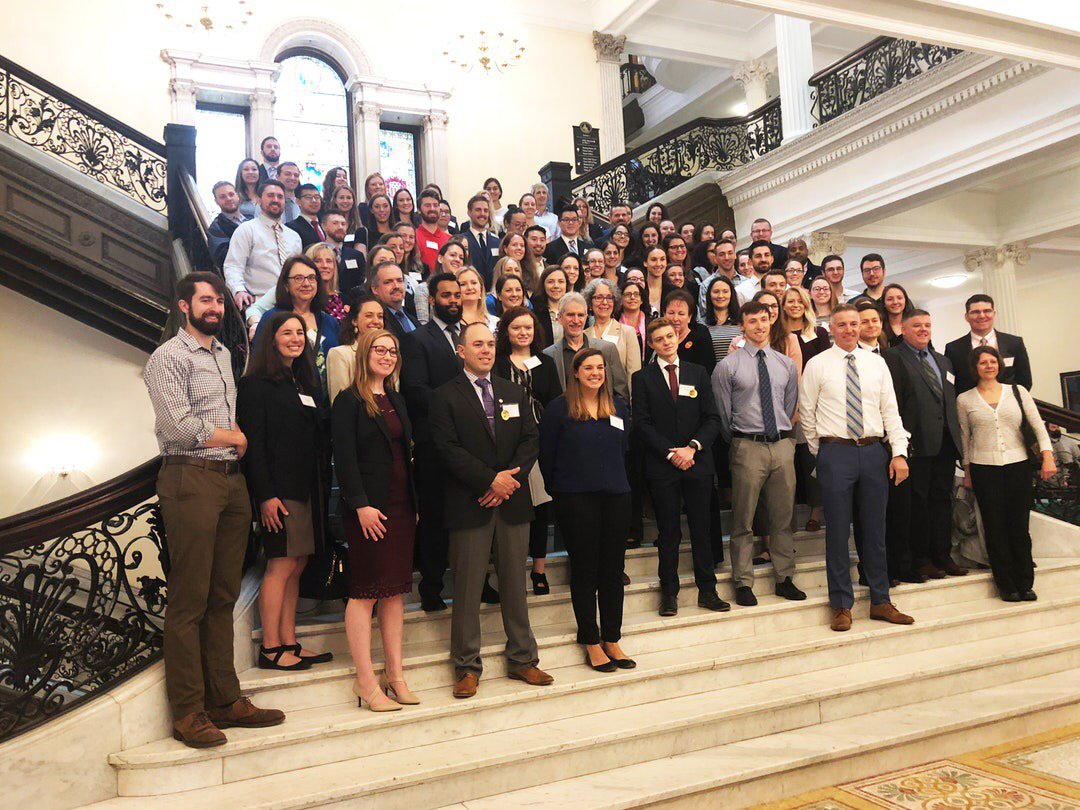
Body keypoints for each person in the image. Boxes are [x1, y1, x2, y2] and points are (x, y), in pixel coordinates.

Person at [143, 271, 284, 748]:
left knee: (223, 595)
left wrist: (236, 448)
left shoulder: (224, 354)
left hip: (230, 483)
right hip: (191, 478)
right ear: (184, 306)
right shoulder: (167, 357)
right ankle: (188, 712)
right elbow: (177, 426)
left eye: (219, 301)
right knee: (190, 599)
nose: (215, 308)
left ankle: (225, 698)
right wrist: (236, 438)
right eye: (205, 300)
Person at [430, 322, 554, 698]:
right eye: (477, 344)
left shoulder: (512, 390)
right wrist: (489, 481)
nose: (485, 350)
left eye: (489, 344)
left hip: (512, 502)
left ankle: (523, 660)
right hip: (472, 503)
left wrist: (507, 483)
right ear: (461, 352)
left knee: (515, 585)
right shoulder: (444, 396)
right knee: (467, 589)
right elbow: (446, 449)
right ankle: (467, 667)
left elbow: (531, 440)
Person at [799, 304, 914, 633]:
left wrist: (899, 452)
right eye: (843, 324)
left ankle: (881, 599)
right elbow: (807, 414)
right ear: (831, 328)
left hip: (874, 452)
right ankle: (840, 604)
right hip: (836, 452)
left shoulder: (877, 363)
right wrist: (822, 453)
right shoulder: (817, 365)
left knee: (876, 531)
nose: (850, 329)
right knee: (836, 532)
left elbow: (890, 411)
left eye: (855, 323)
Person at [237, 311, 332, 674]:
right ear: (270, 339)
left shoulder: (302, 381)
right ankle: (271, 647)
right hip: (279, 491)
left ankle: (289, 639)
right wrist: (265, 495)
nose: (295, 338)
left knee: (298, 563)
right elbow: (255, 446)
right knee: (280, 564)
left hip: (308, 487)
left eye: (299, 333)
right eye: (286, 333)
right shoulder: (255, 385)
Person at [333, 329, 420, 710]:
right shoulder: (348, 401)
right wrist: (360, 505)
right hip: (369, 509)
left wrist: (414, 503)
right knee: (365, 592)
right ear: (365, 353)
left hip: (401, 505)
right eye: (380, 350)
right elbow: (346, 459)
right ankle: (365, 681)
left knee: (394, 592)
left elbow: (405, 453)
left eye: (393, 351)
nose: (387, 356)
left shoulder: (397, 398)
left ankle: (395, 675)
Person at [541, 348, 636, 670]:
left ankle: (612, 637)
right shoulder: (559, 409)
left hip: (616, 496)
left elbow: (624, 450)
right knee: (585, 571)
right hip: (575, 499)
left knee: (612, 571)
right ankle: (590, 640)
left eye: (600, 367)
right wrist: (562, 492)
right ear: (576, 372)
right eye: (588, 367)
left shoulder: (618, 407)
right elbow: (546, 455)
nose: (595, 372)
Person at [634, 318, 728, 616]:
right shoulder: (642, 378)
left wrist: (692, 448)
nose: (666, 342)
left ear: (678, 337)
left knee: (702, 528)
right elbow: (642, 424)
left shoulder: (698, 373)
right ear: (652, 344)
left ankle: (708, 590)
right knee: (669, 531)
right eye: (659, 339)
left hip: (697, 463)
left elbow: (712, 418)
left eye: (670, 336)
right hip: (663, 467)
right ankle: (669, 593)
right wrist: (670, 453)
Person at [713, 300, 805, 607]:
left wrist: (783, 438)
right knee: (743, 519)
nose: (759, 326)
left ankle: (785, 577)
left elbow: (790, 404)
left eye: (763, 320)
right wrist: (740, 439)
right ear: (742, 325)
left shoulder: (785, 364)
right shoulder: (728, 366)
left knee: (783, 518)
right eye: (752, 321)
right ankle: (743, 581)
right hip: (747, 446)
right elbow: (724, 415)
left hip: (781, 445)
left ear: (770, 322)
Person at [958, 345, 1055, 600]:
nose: (988, 366)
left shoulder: (1017, 392)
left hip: (1018, 465)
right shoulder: (965, 399)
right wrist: (967, 470)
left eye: (992, 361)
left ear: (999, 365)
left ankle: (1025, 582)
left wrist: (1048, 456)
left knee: (1019, 526)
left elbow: (1037, 424)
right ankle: (1006, 585)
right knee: (994, 526)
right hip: (983, 468)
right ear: (975, 368)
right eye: (983, 362)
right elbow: (965, 438)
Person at [882, 310, 967, 581]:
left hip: (944, 441)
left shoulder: (943, 361)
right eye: (916, 325)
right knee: (917, 503)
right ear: (903, 331)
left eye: (927, 325)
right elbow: (894, 402)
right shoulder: (893, 358)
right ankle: (921, 558)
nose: (923, 330)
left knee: (942, 500)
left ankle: (943, 555)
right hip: (915, 443)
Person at [400, 273, 464, 611]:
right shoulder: (417, 339)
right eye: (446, 296)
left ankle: (477, 581)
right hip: (434, 445)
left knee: (472, 518)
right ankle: (432, 587)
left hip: (471, 444)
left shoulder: (471, 335)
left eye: (457, 295)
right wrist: (458, 409)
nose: (453, 300)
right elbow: (415, 390)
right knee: (436, 518)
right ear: (432, 300)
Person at [496, 307, 563, 595]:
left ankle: (539, 570)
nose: (523, 333)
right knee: (510, 510)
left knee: (540, 508)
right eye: (516, 328)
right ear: (506, 333)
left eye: (528, 328)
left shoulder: (545, 361)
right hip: (507, 444)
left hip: (541, 440)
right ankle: (508, 572)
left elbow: (556, 400)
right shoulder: (497, 363)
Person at [252, 256, 340, 396]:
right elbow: (259, 363)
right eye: (298, 278)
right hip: (286, 399)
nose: (306, 283)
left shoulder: (329, 322)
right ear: (286, 285)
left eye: (311, 278)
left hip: (327, 405)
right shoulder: (272, 319)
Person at [783, 286, 830, 532]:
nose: (794, 305)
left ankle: (815, 512)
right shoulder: (778, 335)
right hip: (786, 406)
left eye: (798, 301)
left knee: (811, 459)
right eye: (789, 301)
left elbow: (825, 368)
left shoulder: (819, 333)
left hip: (815, 405)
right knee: (789, 462)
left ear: (805, 304)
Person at [223, 180, 302, 312]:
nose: (276, 200)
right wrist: (239, 291)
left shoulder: (294, 237)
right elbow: (233, 266)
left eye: (280, 196)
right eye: (270, 195)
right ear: (259, 200)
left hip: (292, 303)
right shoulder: (247, 230)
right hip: (260, 303)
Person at [544, 293, 629, 401]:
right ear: (560, 318)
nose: (576, 321)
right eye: (570, 315)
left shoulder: (607, 349)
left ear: (586, 317)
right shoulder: (549, 355)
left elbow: (621, 393)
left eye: (580, 315)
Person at [944, 294, 1033, 394]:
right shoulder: (953, 349)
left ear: (994, 314)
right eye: (975, 312)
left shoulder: (1014, 343)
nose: (982, 316)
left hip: (1009, 405)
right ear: (967, 317)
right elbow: (951, 385)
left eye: (987, 311)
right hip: (970, 406)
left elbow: (1025, 381)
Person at [327, 292, 385, 402]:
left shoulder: (389, 354)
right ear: (354, 321)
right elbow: (340, 403)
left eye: (380, 316)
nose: (376, 321)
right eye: (369, 316)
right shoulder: (340, 354)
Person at [584, 278, 642, 387]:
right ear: (590, 303)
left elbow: (634, 373)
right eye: (599, 297)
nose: (604, 302)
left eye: (609, 297)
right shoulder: (584, 335)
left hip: (619, 398)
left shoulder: (627, 332)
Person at [664, 288, 715, 375]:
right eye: (671, 313)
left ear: (689, 317)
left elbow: (707, 372)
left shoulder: (700, 338)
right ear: (664, 314)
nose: (675, 318)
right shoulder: (659, 337)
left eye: (681, 314)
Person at [461, 194, 501, 288]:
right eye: (478, 210)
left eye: (486, 211)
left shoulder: (498, 242)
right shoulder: (462, 241)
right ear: (469, 213)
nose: (482, 214)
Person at [321, 211, 366, 293]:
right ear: (324, 226)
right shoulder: (316, 252)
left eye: (343, 224)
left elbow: (362, 281)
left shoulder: (356, 255)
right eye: (335, 223)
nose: (340, 227)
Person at [370, 261, 418, 338]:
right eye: (388, 282)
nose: (396, 286)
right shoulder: (377, 321)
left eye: (400, 281)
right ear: (375, 289)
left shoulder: (412, 317)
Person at [207, 181, 248, 266]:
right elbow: (223, 257)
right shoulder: (216, 228)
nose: (228, 198)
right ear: (216, 201)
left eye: (231, 194)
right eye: (222, 197)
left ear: (237, 196)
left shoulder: (252, 220)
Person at [697, 238, 739, 317]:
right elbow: (705, 314)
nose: (726, 257)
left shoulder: (745, 282)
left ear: (735, 255)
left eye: (730, 253)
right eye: (722, 254)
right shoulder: (706, 285)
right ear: (715, 258)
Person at [531, 266, 569, 348]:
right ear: (543, 285)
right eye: (550, 282)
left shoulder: (574, 311)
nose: (556, 286)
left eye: (561, 281)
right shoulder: (535, 314)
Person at [415, 188, 451, 272]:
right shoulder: (413, 237)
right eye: (427, 205)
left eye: (435, 205)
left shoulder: (449, 239)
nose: (432, 209)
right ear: (419, 210)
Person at [618, 279, 649, 365]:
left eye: (636, 294)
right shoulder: (614, 323)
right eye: (628, 294)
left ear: (641, 300)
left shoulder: (651, 324)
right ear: (620, 300)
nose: (632, 297)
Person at [457, 266, 498, 331]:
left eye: (474, 283)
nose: (470, 287)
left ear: (481, 288)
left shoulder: (495, 322)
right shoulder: (451, 324)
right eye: (463, 284)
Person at [287, 184, 326, 248]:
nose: (314, 201)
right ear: (298, 201)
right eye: (308, 197)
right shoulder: (291, 228)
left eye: (317, 197)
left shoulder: (324, 223)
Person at [880, 283, 913, 347]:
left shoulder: (914, 324)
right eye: (890, 299)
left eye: (899, 298)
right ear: (884, 303)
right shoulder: (880, 327)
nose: (895, 302)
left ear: (905, 301)